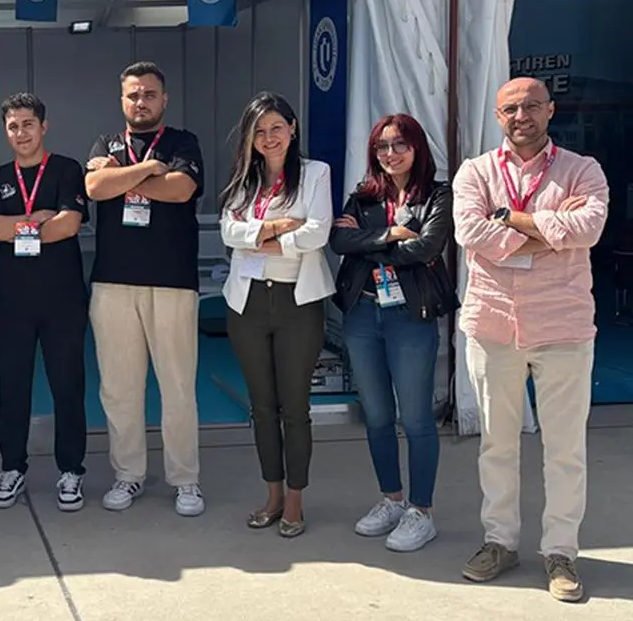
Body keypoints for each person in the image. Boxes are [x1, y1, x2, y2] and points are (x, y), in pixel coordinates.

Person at [453, 77, 608, 602]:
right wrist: (550, 233)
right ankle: (500, 542)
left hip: (562, 326)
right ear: (498, 116)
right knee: (497, 444)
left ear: (550, 111)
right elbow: (472, 233)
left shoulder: (582, 170)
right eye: (511, 109)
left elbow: (588, 229)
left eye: (532, 106)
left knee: (565, 449)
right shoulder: (475, 172)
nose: (521, 116)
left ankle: (560, 552)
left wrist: (513, 220)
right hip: (493, 324)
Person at [329, 113, 457, 553]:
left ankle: (421, 510)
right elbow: (339, 243)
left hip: (410, 315)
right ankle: (392, 499)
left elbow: (427, 247)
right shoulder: (363, 196)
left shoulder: (438, 194)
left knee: (416, 416)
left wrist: (369, 242)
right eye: (382, 146)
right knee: (377, 415)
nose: (390, 153)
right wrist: (389, 234)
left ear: (417, 147)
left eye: (400, 144)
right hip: (363, 314)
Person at [84, 61, 206, 517]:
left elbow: (181, 189)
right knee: (119, 388)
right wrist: (149, 169)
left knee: (177, 387)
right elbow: (95, 187)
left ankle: (185, 480)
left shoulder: (182, 142)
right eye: (133, 94)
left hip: (173, 282)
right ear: (122, 100)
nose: (141, 102)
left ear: (164, 99)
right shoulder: (105, 143)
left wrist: (125, 174)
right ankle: (128, 474)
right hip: (113, 282)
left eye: (149, 94)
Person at [218, 92, 333, 538]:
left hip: (297, 304)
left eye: (276, 128)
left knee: (295, 407)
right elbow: (229, 231)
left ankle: (296, 499)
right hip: (247, 304)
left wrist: (259, 240)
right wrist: (278, 228)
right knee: (262, 407)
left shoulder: (315, 173)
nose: (269, 138)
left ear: (293, 128)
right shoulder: (244, 181)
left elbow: (317, 233)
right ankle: (272, 494)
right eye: (260, 131)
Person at [0, 93, 89, 511]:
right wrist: (35, 219)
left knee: (67, 386)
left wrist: (18, 228)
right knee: (12, 387)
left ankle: (71, 470)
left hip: (63, 301)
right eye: (13, 126)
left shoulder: (66, 170)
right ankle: (12, 467)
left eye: (28, 124)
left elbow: (68, 225)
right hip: (13, 302)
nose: (21, 133)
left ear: (43, 126)